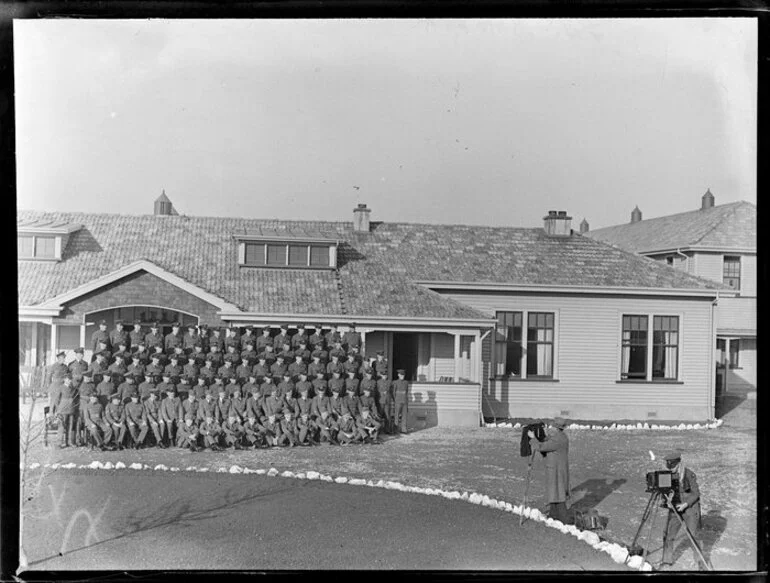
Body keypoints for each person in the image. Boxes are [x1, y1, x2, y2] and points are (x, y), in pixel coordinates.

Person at [660, 451, 702, 568]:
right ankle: (667, 560)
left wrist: (685, 504)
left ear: (679, 463)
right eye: (669, 466)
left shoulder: (689, 474)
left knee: (693, 536)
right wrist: (666, 502)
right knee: (668, 535)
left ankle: (699, 562)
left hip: (690, 510)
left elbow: (696, 493)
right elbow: (665, 492)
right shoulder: (667, 475)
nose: (671, 468)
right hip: (675, 509)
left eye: (673, 466)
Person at [527, 417, 571, 524]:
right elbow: (547, 441)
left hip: (557, 470)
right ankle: (553, 515)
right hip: (555, 468)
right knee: (554, 491)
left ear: (556, 428)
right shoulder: (560, 436)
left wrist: (532, 438)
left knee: (558, 492)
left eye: (552, 427)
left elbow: (541, 447)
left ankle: (564, 519)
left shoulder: (558, 439)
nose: (550, 429)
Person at [54, 374, 78, 448]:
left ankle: (69, 442)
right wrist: (58, 410)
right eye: (67, 379)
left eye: (70, 380)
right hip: (63, 410)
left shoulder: (72, 388)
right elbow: (56, 400)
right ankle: (59, 443)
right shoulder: (60, 388)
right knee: (61, 426)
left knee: (70, 426)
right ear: (64, 379)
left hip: (71, 409)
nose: (69, 381)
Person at [393, 369, 409, 434]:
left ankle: (403, 429)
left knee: (404, 415)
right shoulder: (395, 382)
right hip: (398, 400)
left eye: (403, 375)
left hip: (404, 401)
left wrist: (407, 400)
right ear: (398, 375)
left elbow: (407, 392)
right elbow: (393, 392)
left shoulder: (406, 382)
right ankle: (396, 429)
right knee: (396, 415)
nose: (402, 376)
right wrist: (395, 400)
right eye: (401, 375)